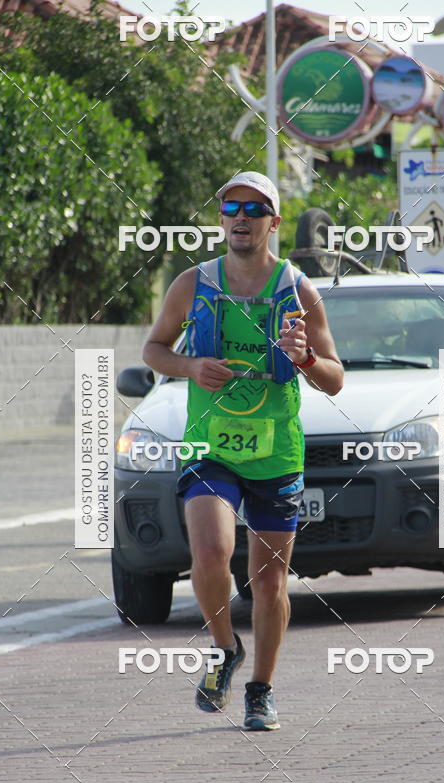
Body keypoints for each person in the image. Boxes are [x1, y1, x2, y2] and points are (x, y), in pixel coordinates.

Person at [142, 171, 343, 730]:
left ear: (273, 222)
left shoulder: (297, 291)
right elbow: (154, 348)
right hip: (210, 447)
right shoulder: (192, 284)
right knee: (208, 555)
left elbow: (335, 379)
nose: (242, 217)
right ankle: (226, 648)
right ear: (222, 219)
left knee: (270, 581)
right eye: (232, 207)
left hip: (276, 452)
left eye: (256, 209)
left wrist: (304, 359)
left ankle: (261, 689)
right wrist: (188, 366)